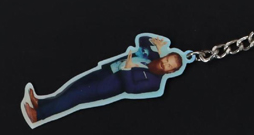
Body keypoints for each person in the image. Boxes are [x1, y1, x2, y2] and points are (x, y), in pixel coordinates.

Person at [21, 34, 187, 128]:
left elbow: (131, 89)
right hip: (106, 71)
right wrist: (158, 46)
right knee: (72, 88)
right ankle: (41, 103)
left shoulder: (155, 84)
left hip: (106, 87)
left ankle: (39, 115)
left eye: (169, 66)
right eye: (167, 59)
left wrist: (127, 69)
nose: (165, 63)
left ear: (170, 71)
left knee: (74, 97)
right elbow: (142, 39)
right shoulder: (154, 55)